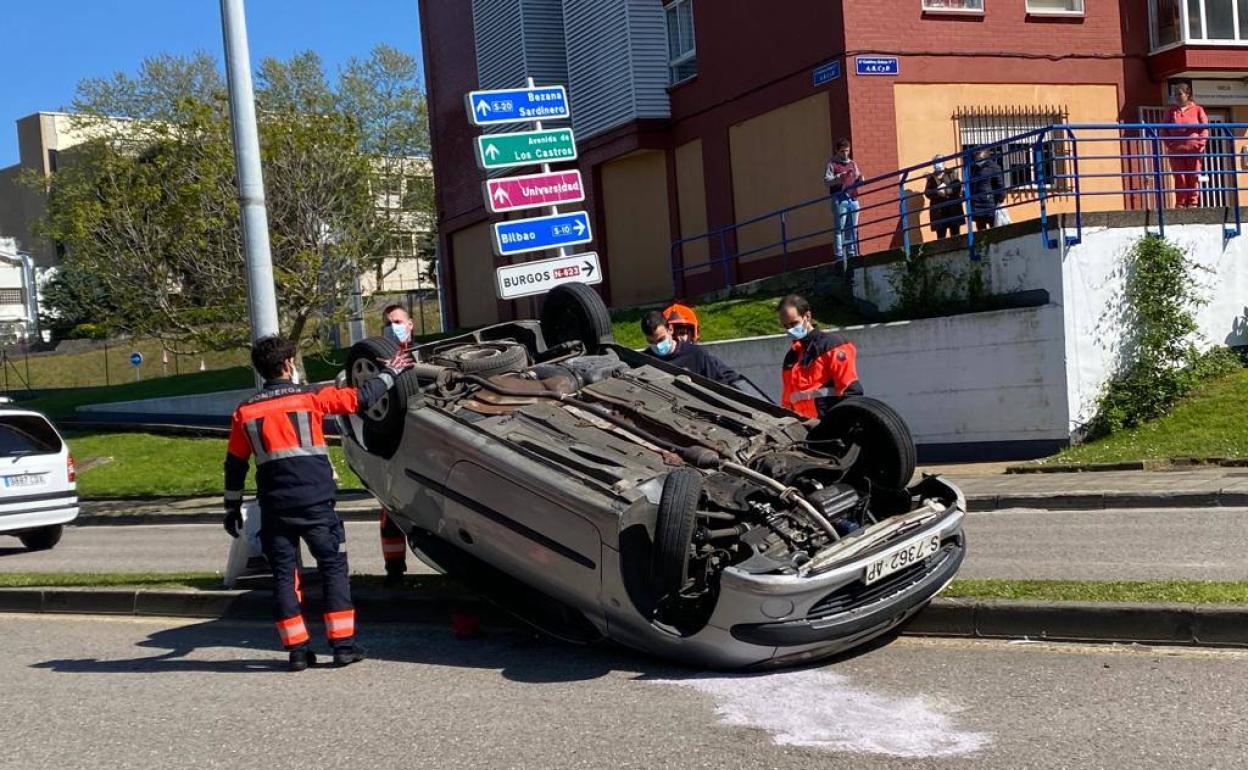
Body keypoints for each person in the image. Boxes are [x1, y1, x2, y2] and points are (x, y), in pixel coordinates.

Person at [223, 335, 411, 671]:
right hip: (316, 504)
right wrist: (391, 373)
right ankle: (342, 647)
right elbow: (362, 398)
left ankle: (297, 652)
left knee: (284, 574)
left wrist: (231, 507)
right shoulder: (310, 399)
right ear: (288, 365)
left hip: (275, 508)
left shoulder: (246, 412)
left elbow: (235, 465)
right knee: (333, 569)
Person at [777, 294, 863, 419]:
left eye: (794, 324)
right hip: (802, 429)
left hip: (829, 425)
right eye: (786, 326)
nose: (790, 330)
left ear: (807, 316)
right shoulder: (791, 356)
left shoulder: (832, 345)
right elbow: (787, 400)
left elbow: (851, 392)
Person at [378, 304, 414, 587]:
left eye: (398, 321)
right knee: (390, 513)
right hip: (392, 444)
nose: (394, 327)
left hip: (422, 441)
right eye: (389, 324)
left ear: (410, 324)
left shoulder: (423, 356)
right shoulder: (377, 360)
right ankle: (394, 570)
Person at [641, 310, 743, 387]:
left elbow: (720, 385)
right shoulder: (644, 360)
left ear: (670, 330)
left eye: (661, 340)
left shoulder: (696, 354)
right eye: (651, 342)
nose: (657, 346)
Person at [1164, 83, 1209, 209]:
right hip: (1176, 151)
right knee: (1180, 177)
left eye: (1179, 94)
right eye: (1175, 94)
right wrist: (1170, 144)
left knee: (1193, 176)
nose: (1177, 97)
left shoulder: (1198, 109)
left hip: (1194, 150)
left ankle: (1193, 202)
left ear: (1187, 94)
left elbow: (1205, 128)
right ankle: (1180, 203)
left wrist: (1201, 144)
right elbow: (1163, 130)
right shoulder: (1171, 112)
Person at [825, 138, 862, 266]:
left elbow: (857, 177)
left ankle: (852, 252)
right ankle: (839, 255)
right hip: (839, 199)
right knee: (839, 228)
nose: (845, 154)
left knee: (852, 227)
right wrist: (839, 177)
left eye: (847, 151)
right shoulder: (832, 163)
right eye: (842, 152)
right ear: (837, 151)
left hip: (853, 198)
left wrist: (860, 179)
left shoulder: (852, 163)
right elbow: (827, 181)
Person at [924, 156, 964, 240]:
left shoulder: (951, 173)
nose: (937, 165)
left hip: (952, 208)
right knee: (941, 236)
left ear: (944, 163)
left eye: (939, 162)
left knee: (955, 234)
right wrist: (937, 192)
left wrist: (946, 190)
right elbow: (927, 193)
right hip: (939, 211)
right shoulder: (931, 178)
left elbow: (957, 186)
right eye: (935, 163)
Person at [967, 148, 1005, 232]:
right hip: (977, 205)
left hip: (990, 203)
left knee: (994, 229)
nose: (976, 159)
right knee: (981, 230)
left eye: (978, 157)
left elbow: (999, 185)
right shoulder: (975, 169)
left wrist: (1000, 199)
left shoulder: (993, 167)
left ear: (985, 156)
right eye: (975, 157)